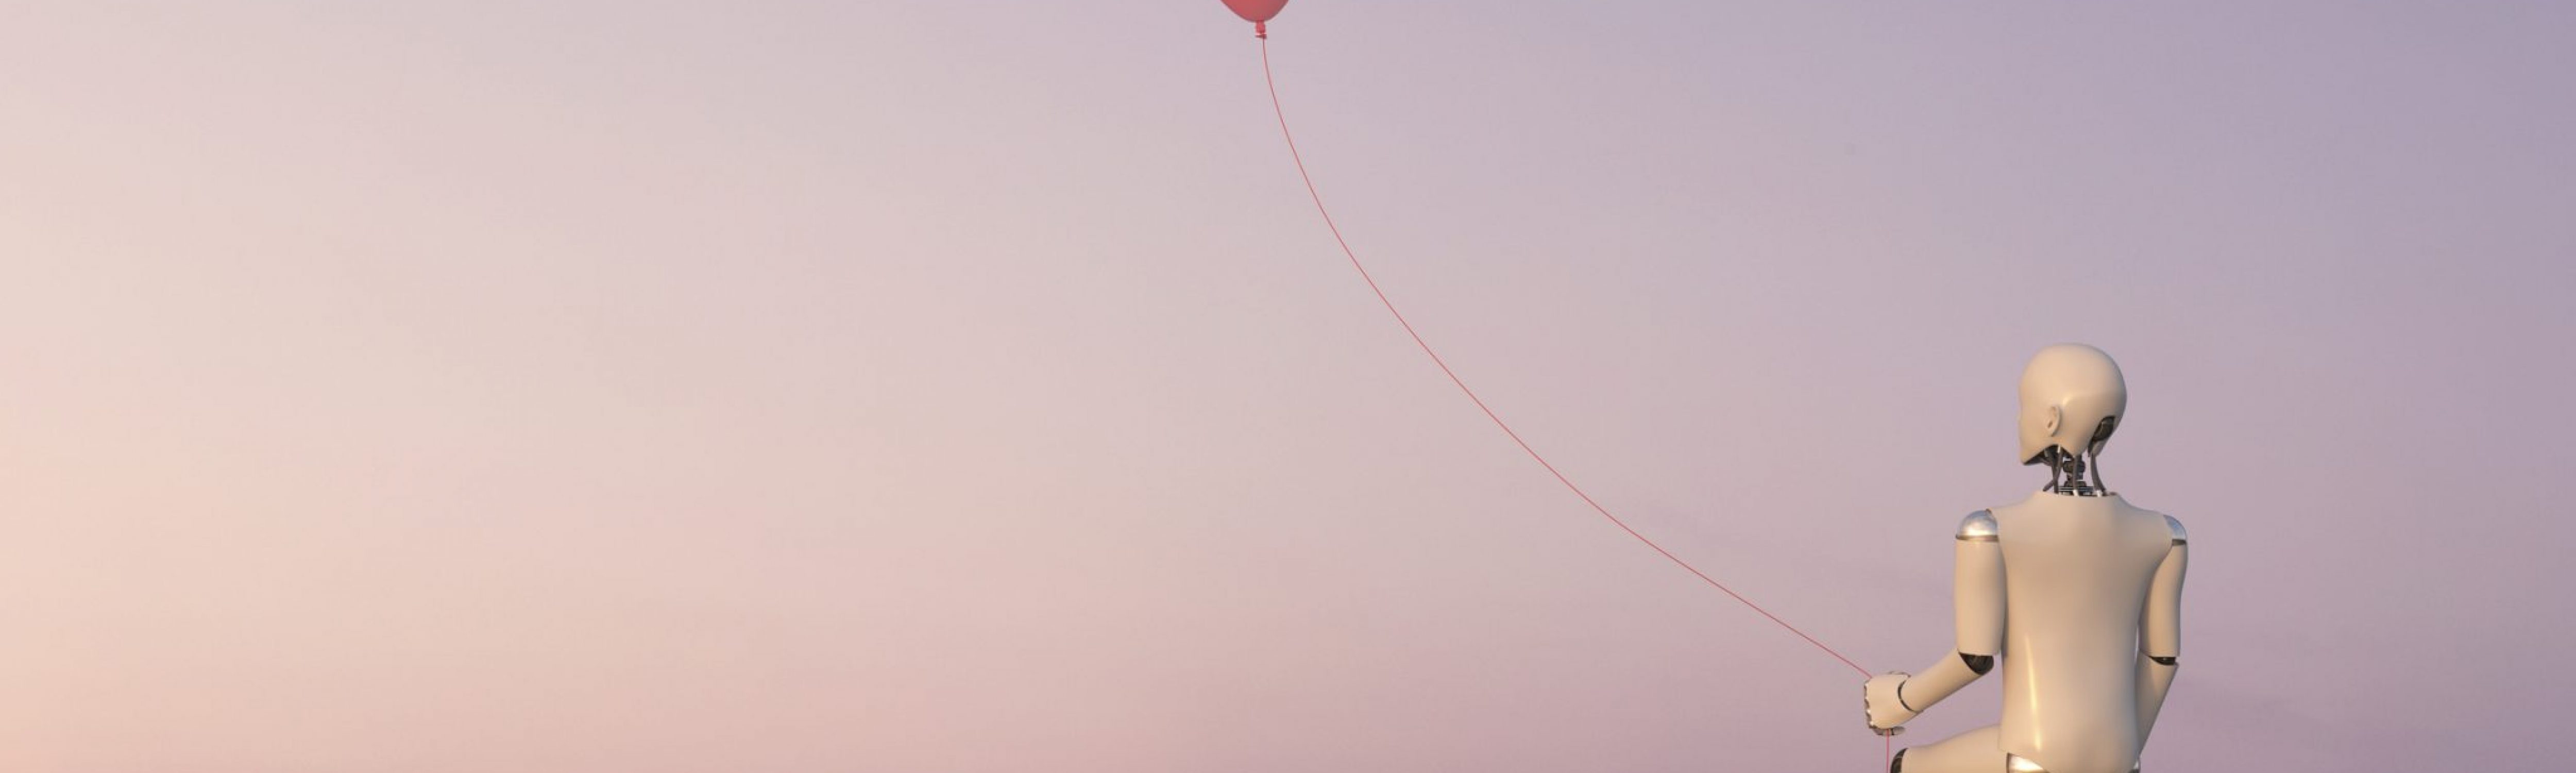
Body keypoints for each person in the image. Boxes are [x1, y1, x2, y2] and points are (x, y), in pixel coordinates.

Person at [1860, 344, 2188, 773]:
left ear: (2051, 418)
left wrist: (1900, 700)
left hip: (2030, 756)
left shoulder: (1992, 529)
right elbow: (2161, 662)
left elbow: (1973, 658)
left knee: (1908, 766)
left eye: (2023, 407)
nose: (2018, 420)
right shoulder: (2165, 535)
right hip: (2120, 759)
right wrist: (2119, 752)